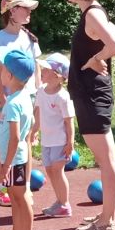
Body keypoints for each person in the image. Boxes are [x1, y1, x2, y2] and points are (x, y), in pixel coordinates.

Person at [65, 0, 115, 230]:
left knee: (107, 160)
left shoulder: (92, 14)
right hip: (92, 93)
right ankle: (111, 214)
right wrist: (99, 55)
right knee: (109, 158)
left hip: (92, 94)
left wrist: (96, 58)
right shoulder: (95, 12)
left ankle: (106, 221)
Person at [0, 0, 44, 205]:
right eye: (25, 8)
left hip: (27, 97)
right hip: (7, 98)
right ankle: (0, 187)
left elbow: (36, 66)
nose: (29, 12)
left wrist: (37, 92)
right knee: (3, 141)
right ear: (12, 11)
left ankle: (25, 186)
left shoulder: (28, 37)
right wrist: (1, 96)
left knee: (25, 139)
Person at [0, 50, 38, 230]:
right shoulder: (22, 98)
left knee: (21, 198)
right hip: (14, 159)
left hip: (14, 160)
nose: (0, 72)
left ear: (9, 75)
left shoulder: (13, 104)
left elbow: (15, 137)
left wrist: (6, 164)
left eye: (3, 69)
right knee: (14, 196)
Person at [33, 53, 75, 218]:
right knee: (50, 170)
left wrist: (70, 142)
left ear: (57, 75)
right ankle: (60, 201)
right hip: (47, 141)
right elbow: (38, 114)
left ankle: (65, 204)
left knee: (57, 171)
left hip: (60, 141)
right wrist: (34, 131)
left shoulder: (62, 96)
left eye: (46, 69)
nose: (42, 71)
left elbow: (68, 121)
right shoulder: (41, 91)